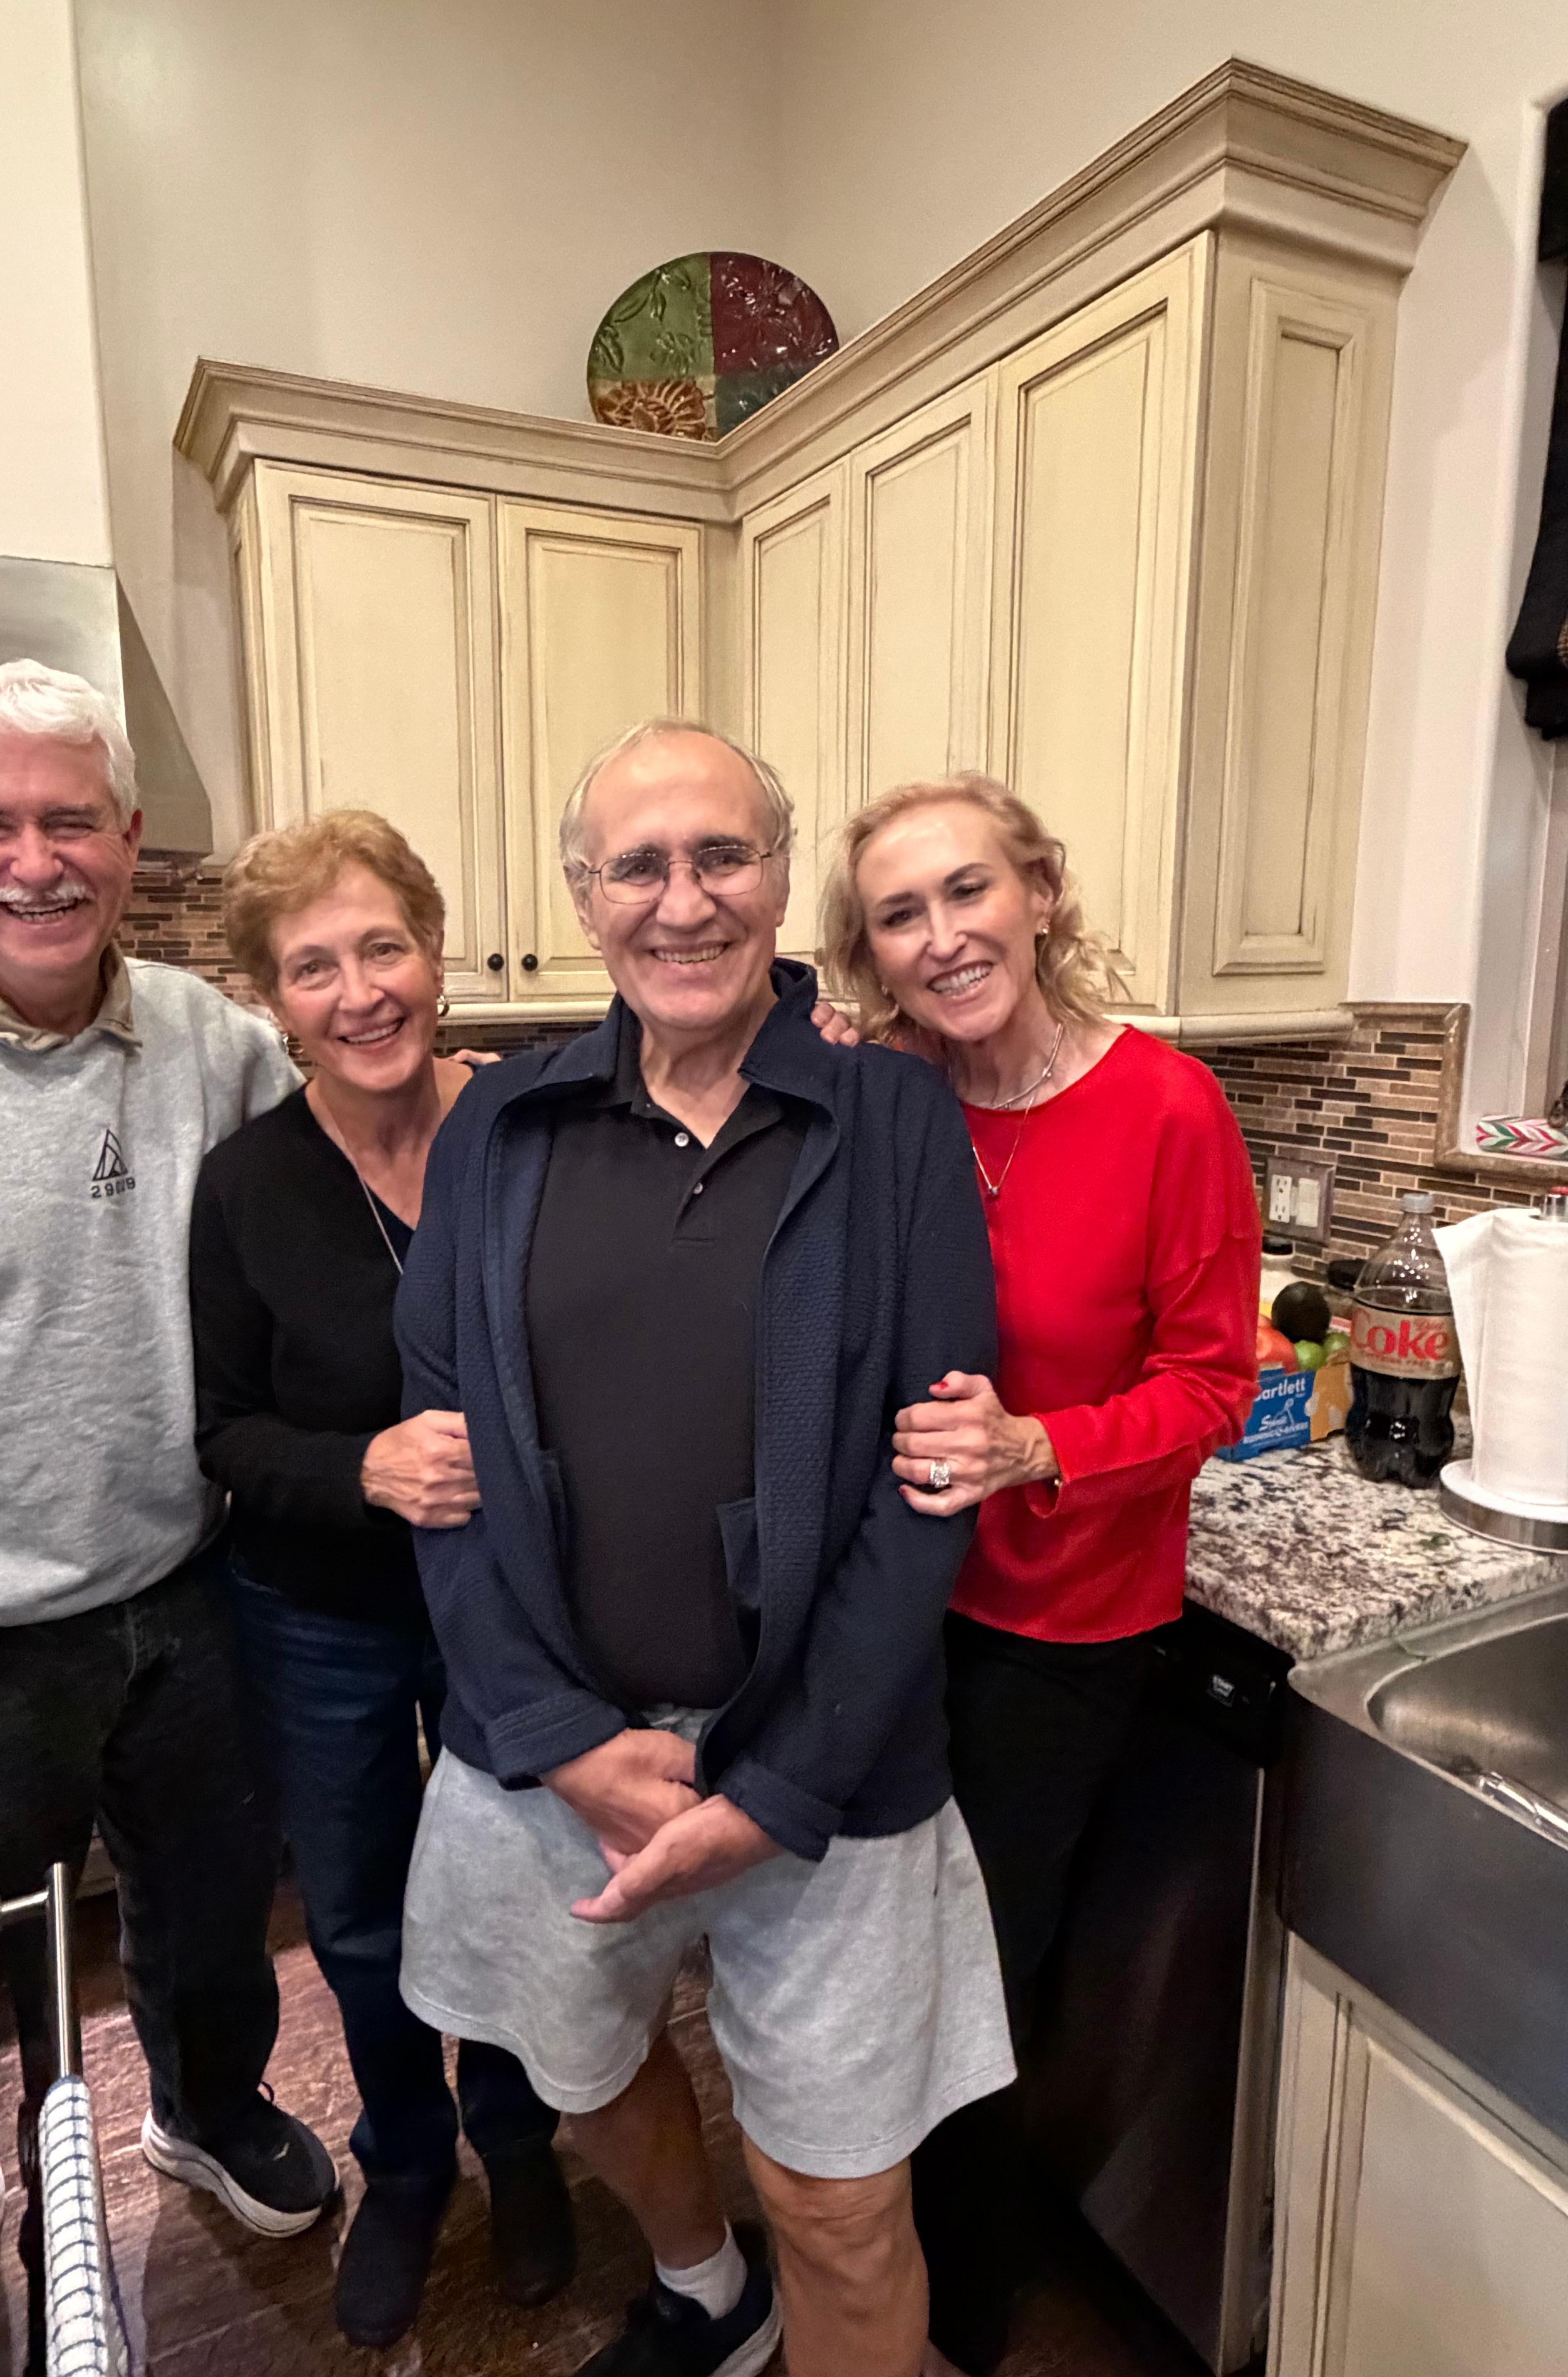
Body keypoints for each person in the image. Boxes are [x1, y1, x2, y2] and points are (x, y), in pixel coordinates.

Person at [392, 720, 1015, 2377]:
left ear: (781, 877)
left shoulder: (894, 1121)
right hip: (558, 1751)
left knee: (841, 2199)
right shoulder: (499, 1126)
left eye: (723, 856)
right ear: (582, 896)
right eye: (639, 866)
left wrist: (783, 1783)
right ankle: (705, 2287)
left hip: (832, 1757)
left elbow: (929, 1480)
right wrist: (560, 1739)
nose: (684, 903)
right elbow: (442, 1459)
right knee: (578, 2070)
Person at [0, 661, 337, 2353]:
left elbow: (359, 1163)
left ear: (129, 834)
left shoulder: (216, 1046)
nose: (37, 862)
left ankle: (206, 2110)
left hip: (186, 1592)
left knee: (211, 1912)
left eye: (70, 820)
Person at [820, 772, 1261, 2376]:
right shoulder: (892, 1098)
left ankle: (961, 2292)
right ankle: (856, 2251)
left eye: (968, 891)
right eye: (899, 915)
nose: (942, 937)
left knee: (982, 1969)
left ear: (1041, 896)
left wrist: (1039, 1448)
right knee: (867, 1941)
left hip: (1060, 1621)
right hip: (892, 1603)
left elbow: (1214, 1384)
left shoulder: (1166, 1109)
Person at [189, 810, 576, 2349]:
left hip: (517, 1602)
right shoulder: (249, 1186)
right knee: (358, 1915)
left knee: (527, 1886)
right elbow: (224, 1427)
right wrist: (361, 1468)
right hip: (322, 1613)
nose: (359, 993)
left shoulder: (532, 1131)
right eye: (313, 968)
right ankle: (407, 2162)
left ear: (437, 951)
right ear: (270, 1001)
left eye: (383, 948)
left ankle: (524, 2141)